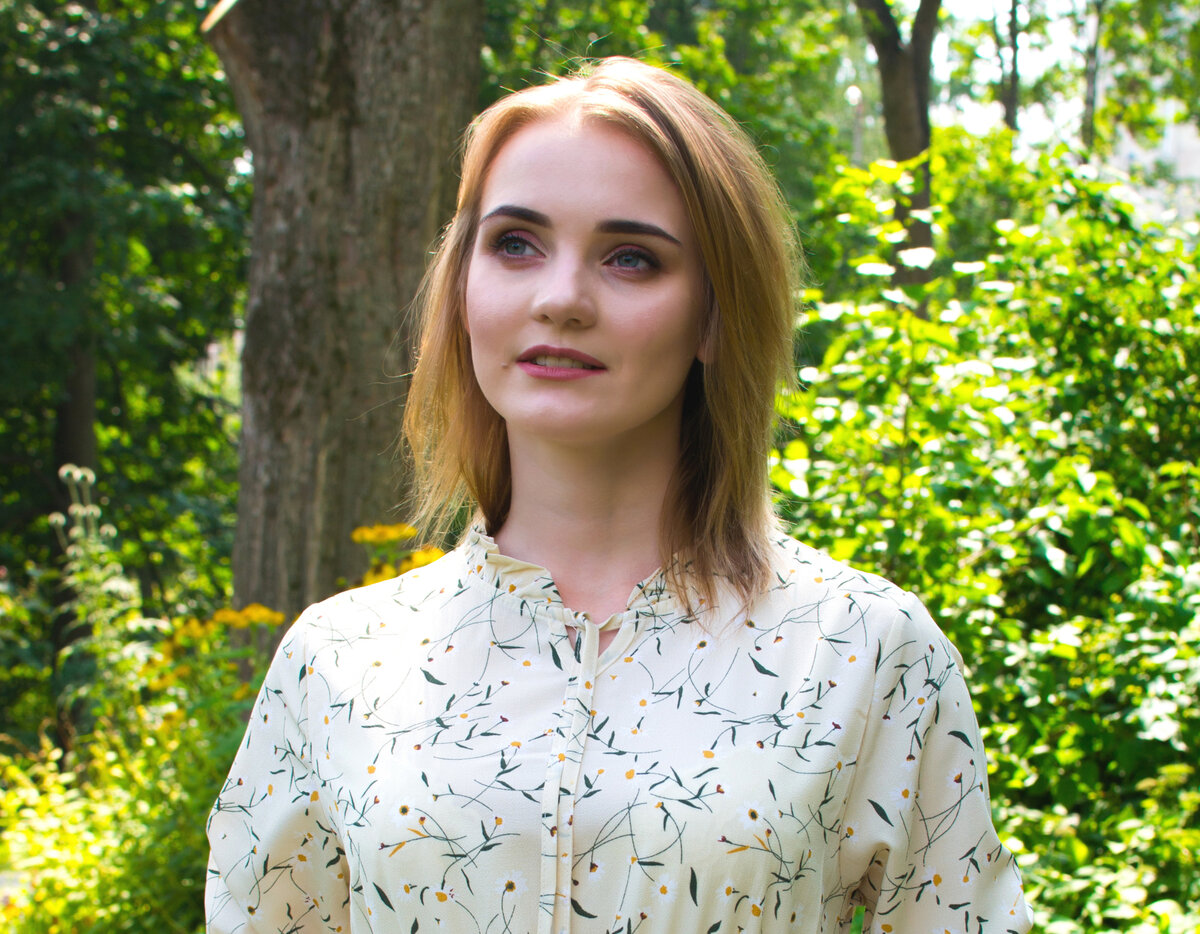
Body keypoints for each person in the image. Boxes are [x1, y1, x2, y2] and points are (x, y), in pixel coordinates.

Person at [206, 57, 1033, 934]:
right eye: (515, 243)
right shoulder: (340, 661)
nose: (561, 298)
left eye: (631, 258)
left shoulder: (861, 649)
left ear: (714, 314)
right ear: (462, 286)